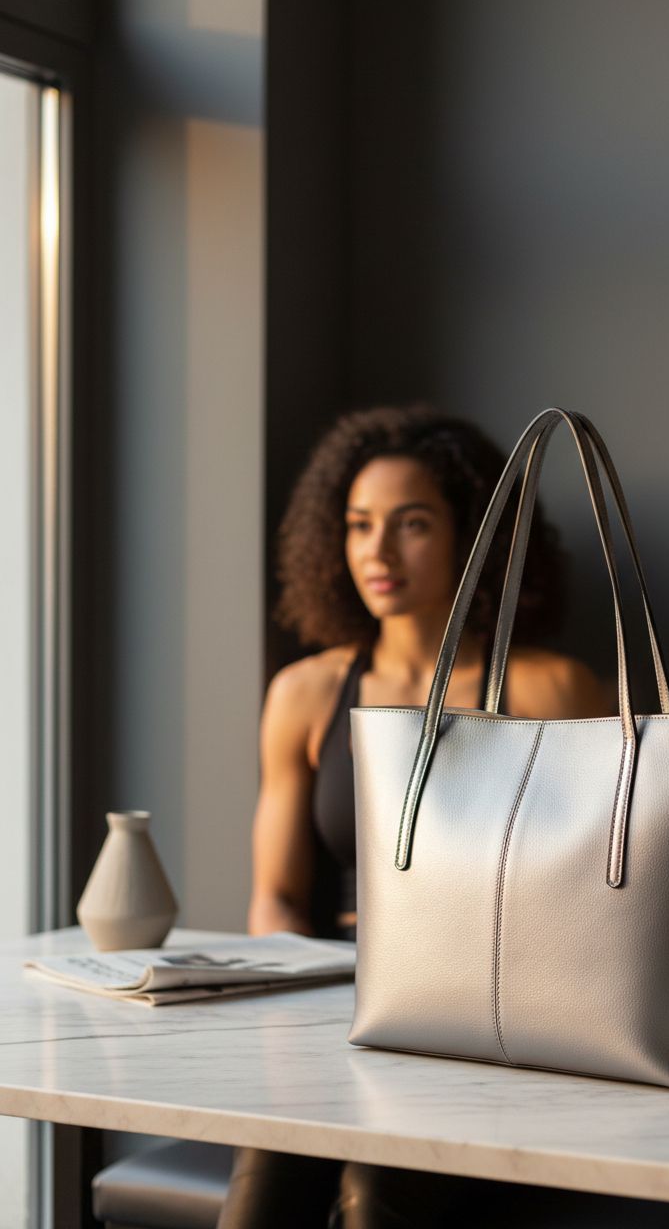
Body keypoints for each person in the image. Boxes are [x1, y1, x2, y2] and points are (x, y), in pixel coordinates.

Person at [218, 405, 612, 1229]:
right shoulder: (304, 694)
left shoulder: (551, 690)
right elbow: (277, 901)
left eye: (412, 524)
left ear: (474, 534)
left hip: (496, 1015)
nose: (377, 551)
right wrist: (300, 1024)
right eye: (360, 525)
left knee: (375, 1183)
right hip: (336, 1009)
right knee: (269, 1164)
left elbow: (597, 899)